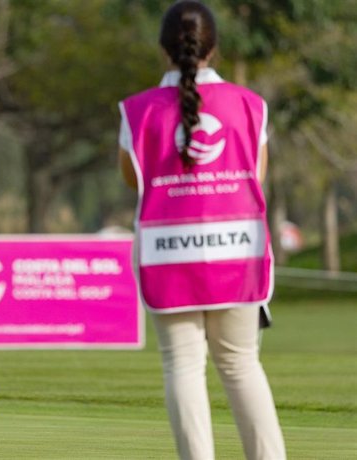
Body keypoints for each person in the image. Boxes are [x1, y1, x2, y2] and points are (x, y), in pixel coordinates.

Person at [117, 2, 285, 459]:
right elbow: (257, 174)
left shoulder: (138, 111)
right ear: (215, 46)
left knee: (183, 367)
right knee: (241, 365)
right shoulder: (251, 105)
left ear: (163, 48)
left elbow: (135, 178)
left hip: (167, 253)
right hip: (237, 252)